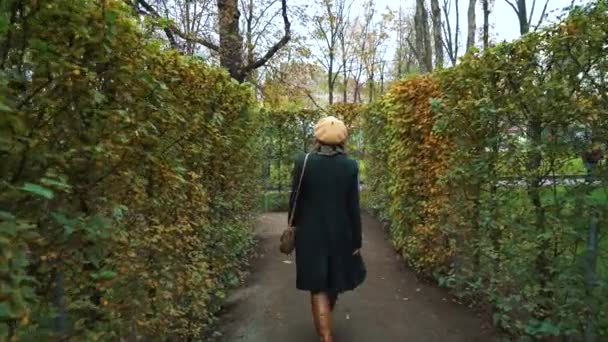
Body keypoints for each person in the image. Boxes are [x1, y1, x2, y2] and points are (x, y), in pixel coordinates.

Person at [288, 116, 366, 342]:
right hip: (341, 234)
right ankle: (326, 330)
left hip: (310, 234)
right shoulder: (350, 166)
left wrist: (293, 227)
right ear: (343, 140)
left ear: (317, 136)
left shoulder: (303, 162)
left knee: (317, 284)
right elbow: (353, 207)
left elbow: (295, 199)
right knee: (332, 282)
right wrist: (357, 241)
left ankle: (325, 334)